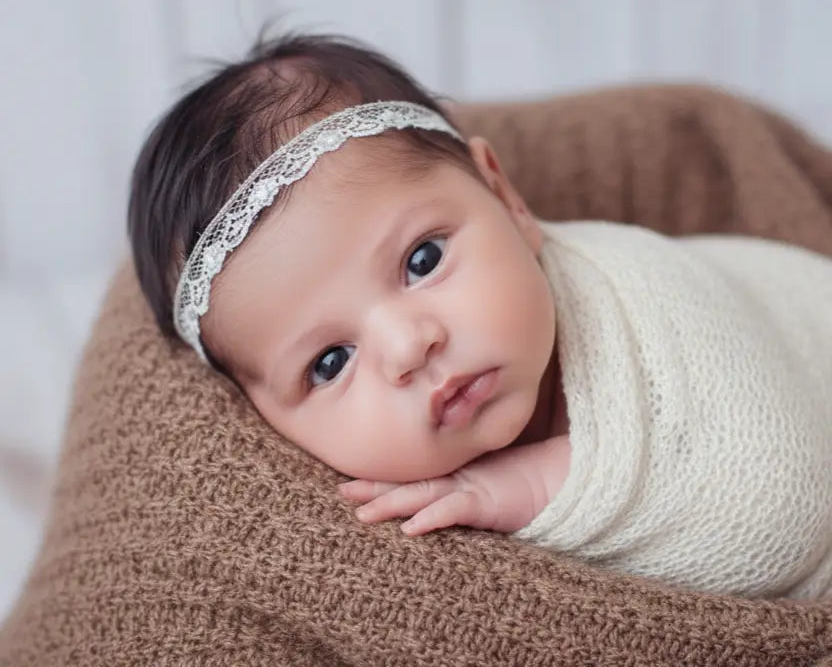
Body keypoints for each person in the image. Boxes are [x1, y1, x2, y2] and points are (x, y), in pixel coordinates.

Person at [128, 32, 832, 600]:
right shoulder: (389, 559)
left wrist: (532, 486)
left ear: (505, 197)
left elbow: (784, 507)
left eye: (422, 259)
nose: (409, 346)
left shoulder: (634, 300)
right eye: (329, 362)